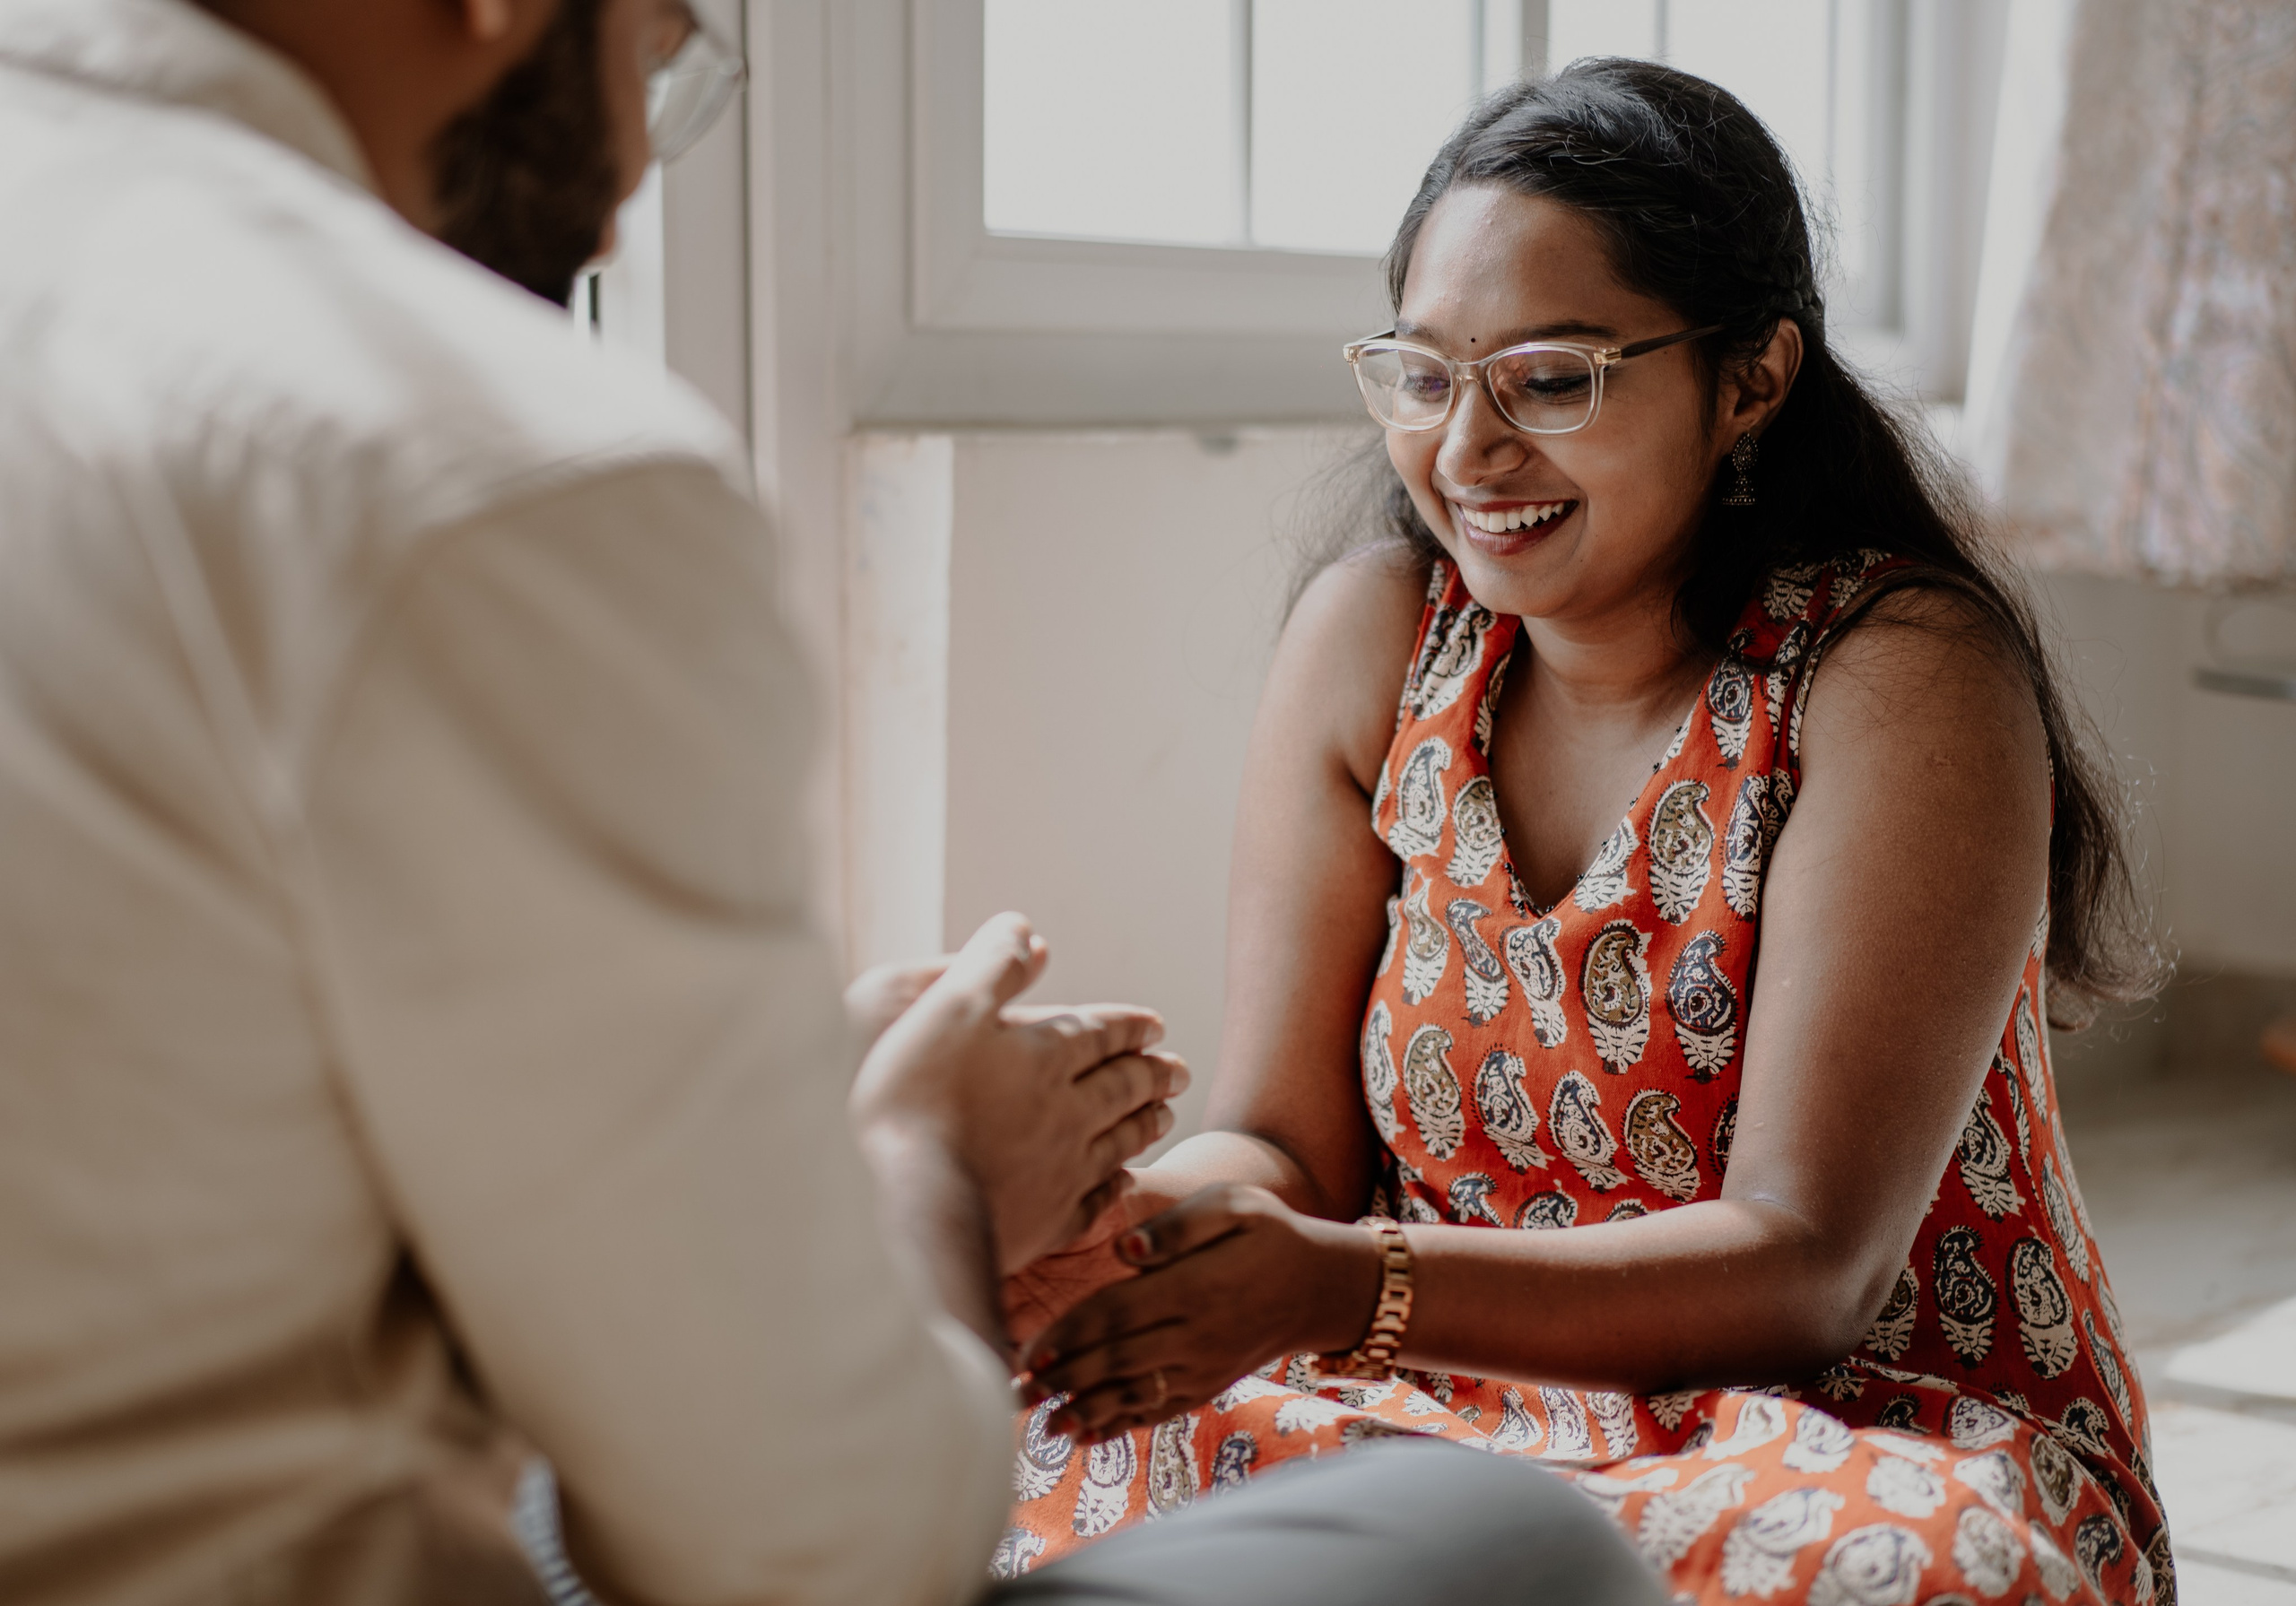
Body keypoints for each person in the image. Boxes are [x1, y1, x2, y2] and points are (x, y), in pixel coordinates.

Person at [0, 3, 1666, 1603]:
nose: (638, 166)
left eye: (1551, 378)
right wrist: (911, 1151)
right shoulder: (484, 465)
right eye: (660, 47)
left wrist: (786, 1104)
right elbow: (817, 1564)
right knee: (1499, 1539)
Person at [1001, 60, 2176, 1606]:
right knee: (1038, 1436)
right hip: (1440, 1392)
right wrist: (1124, 1239)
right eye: (1423, 375)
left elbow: (1805, 1265)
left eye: (1550, 380)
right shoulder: (1373, 638)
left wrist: (1345, 1289)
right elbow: (1286, 1144)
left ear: (1751, 377)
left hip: (1847, 1428)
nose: (1468, 453)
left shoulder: (1897, 679)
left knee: (1912, 1573)